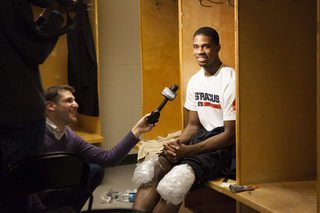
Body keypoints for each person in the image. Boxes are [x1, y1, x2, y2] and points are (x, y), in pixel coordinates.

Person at [131, 27, 236, 213]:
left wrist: (188, 150)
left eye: (206, 46)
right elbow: (193, 125)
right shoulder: (195, 80)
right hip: (201, 140)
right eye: (196, 47)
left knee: (176, 181)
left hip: (223, 150)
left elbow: (230, 135)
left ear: (218, 47)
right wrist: (176, 145)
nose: (200, 52)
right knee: (151, 171)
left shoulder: (230, 80)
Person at [31, 85, 156, 212]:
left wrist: (138, 129)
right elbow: (23, 183)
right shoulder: (34, 135)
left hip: (52, 190)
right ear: (50, 106)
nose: (76, 105)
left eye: (74, 100)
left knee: (95, 171)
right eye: (69, 101)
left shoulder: (69, 135)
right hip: (30, 199)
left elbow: (109, 159)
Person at [0, 0, 71, 212]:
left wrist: (46, 14)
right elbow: (35, 51)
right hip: (17, 114)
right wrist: (57, 11)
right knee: (18, 194)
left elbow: (19, 39)